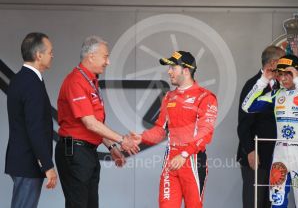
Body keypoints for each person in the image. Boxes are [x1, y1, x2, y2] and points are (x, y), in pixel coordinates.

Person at [55, 35, 138, 208]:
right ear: (91, 56)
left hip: (86, 152)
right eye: (105, 56)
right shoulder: (76, 81)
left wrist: (111, 147)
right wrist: (122, 140)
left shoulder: (91, 82)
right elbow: (90, 123)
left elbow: (96, 124)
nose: (108, 62)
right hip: (75, 151)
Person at [130, 51, 218, 208]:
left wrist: (184, 155)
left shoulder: (205, 97)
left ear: (186, 70)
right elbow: (160, 130)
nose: (168, 71)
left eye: (172, 67)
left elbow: (205, 133)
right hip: (171, 160)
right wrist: (142, 137)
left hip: (193, 160)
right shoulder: (169, 97)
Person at [242, 54, 298, 207]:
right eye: (280, 74)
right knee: (277, 204)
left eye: (289, 73)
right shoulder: (275, 95)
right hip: (280, 157)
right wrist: (263, 80)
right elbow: (247, 106)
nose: (284, 78)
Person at [5, 32, 57, 208]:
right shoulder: (31, 83)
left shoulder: (21, 79)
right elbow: (35, 128)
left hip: (22, 160)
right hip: (28, 162)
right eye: (50, 51)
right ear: (38, 55)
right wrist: (47, 165)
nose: (52, 55)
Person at [237, 45, 284, 208]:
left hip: (275, 157)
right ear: (273, 63)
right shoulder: (253, 85)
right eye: (282, 63)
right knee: (254, 202)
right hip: (256, 156)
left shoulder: (281, 87)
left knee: (270, 203)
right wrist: (250, 150)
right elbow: (243, 123)